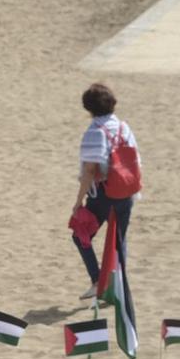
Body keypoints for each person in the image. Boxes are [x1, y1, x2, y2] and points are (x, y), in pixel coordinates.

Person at [71, 82, 139, 292]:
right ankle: (119, 287)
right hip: (126, 191)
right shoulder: (123, 127)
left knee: (80, 233)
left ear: (89, 108)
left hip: (103, 194)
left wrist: (78, 201)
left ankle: (97, 281)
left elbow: (90, 171)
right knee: (119, 241)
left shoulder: (95, 131)